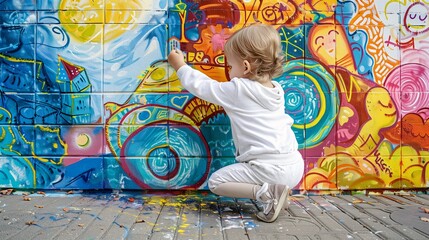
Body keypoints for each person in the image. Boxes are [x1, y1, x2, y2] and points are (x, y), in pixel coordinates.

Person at [168, 23, 304, 223]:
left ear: (246, 67)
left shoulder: (239, 90)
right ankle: (277, 192)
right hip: (295, 166)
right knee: (261, 174)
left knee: (216, 182)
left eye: (230, 66)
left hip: (269, 169)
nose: (229, 71)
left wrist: (180, 65)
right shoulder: (277, 89)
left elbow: (204, 87)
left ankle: (267, 194)